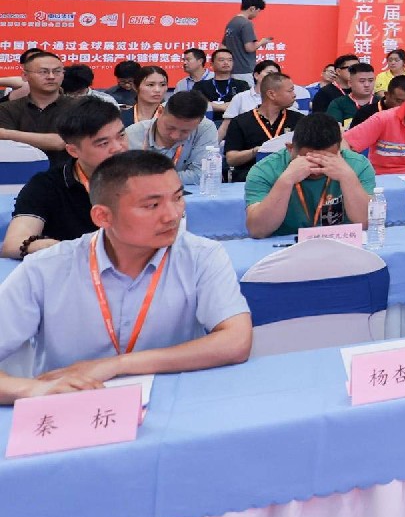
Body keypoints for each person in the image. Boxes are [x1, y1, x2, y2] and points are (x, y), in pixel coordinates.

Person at [0, 150, 251, 403]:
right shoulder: (46, 269)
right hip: (69, 406)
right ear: (103, 216)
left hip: (174, 404)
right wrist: (34, 390)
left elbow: (236, 340)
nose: (173, 215)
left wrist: (118, 365)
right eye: (152, 205)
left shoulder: (201, 255)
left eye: (178, 198)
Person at [1, 98, 128, 259]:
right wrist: (52, 247)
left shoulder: (148, 175)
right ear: (73, 151)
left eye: (121, 135)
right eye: (103, 143)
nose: (118, 147)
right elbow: (13, 245)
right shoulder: (46, 186)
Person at [244, 113, 376, 237]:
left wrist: (348, 177)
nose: (317, 169)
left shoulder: (358, 165)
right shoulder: (264, 170)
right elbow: (257, 230)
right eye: (310, 159)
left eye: (326, 159)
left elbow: (367, 222)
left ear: (339, 151)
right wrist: (286, 180)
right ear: (290, 149)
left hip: (341, 243)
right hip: (286, 247)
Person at [125, 91, 220, 187]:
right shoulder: (132, 135)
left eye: (185, 131)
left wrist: (150, 179)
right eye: (170, 128)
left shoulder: (205, 128)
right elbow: (125, 178)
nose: (175, 136)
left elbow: (204, 175)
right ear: (160, 112)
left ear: (199, 122)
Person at [221, 71, 302, 181]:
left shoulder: (299, 120)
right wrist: (257, 151)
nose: (294, 95)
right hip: (251, 178)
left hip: (289, 177)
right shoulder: (241, 121)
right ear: (271, 94)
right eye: (290, 90)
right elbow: (231, 159)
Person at [0, 50, 75, 152]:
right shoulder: (7, 109)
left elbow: (62, 142)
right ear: (25, 76)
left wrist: (6, 134)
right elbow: (7, 147)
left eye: (57, 71)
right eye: (43, 72)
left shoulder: (80, 107)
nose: (51, 77)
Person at [192, 48, 245, 119]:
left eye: (229, 60)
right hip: (207, 122)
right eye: (221, 60)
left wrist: (211, 105)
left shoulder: (242, 85)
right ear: (212, 64)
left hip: (234, 122)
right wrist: (222, 107)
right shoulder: (200, 85)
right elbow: (197, 104)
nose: (226, 63)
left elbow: (244, 104)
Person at [224, 0, 265, 84]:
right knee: (247, 92)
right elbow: (249, 47)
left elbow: (223, 46)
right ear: (252, 8)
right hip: (244, 69)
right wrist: (262, 42)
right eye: (258, 11)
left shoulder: (231, 22)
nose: (257, 14)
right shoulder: (246, 23)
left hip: (232, 69)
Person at [327, 61, 380, 126]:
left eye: (370, 80)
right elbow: (334, 128)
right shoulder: (338, 104)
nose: (367, 85)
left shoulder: (382, 102)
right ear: (350, 83)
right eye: (362, 81)